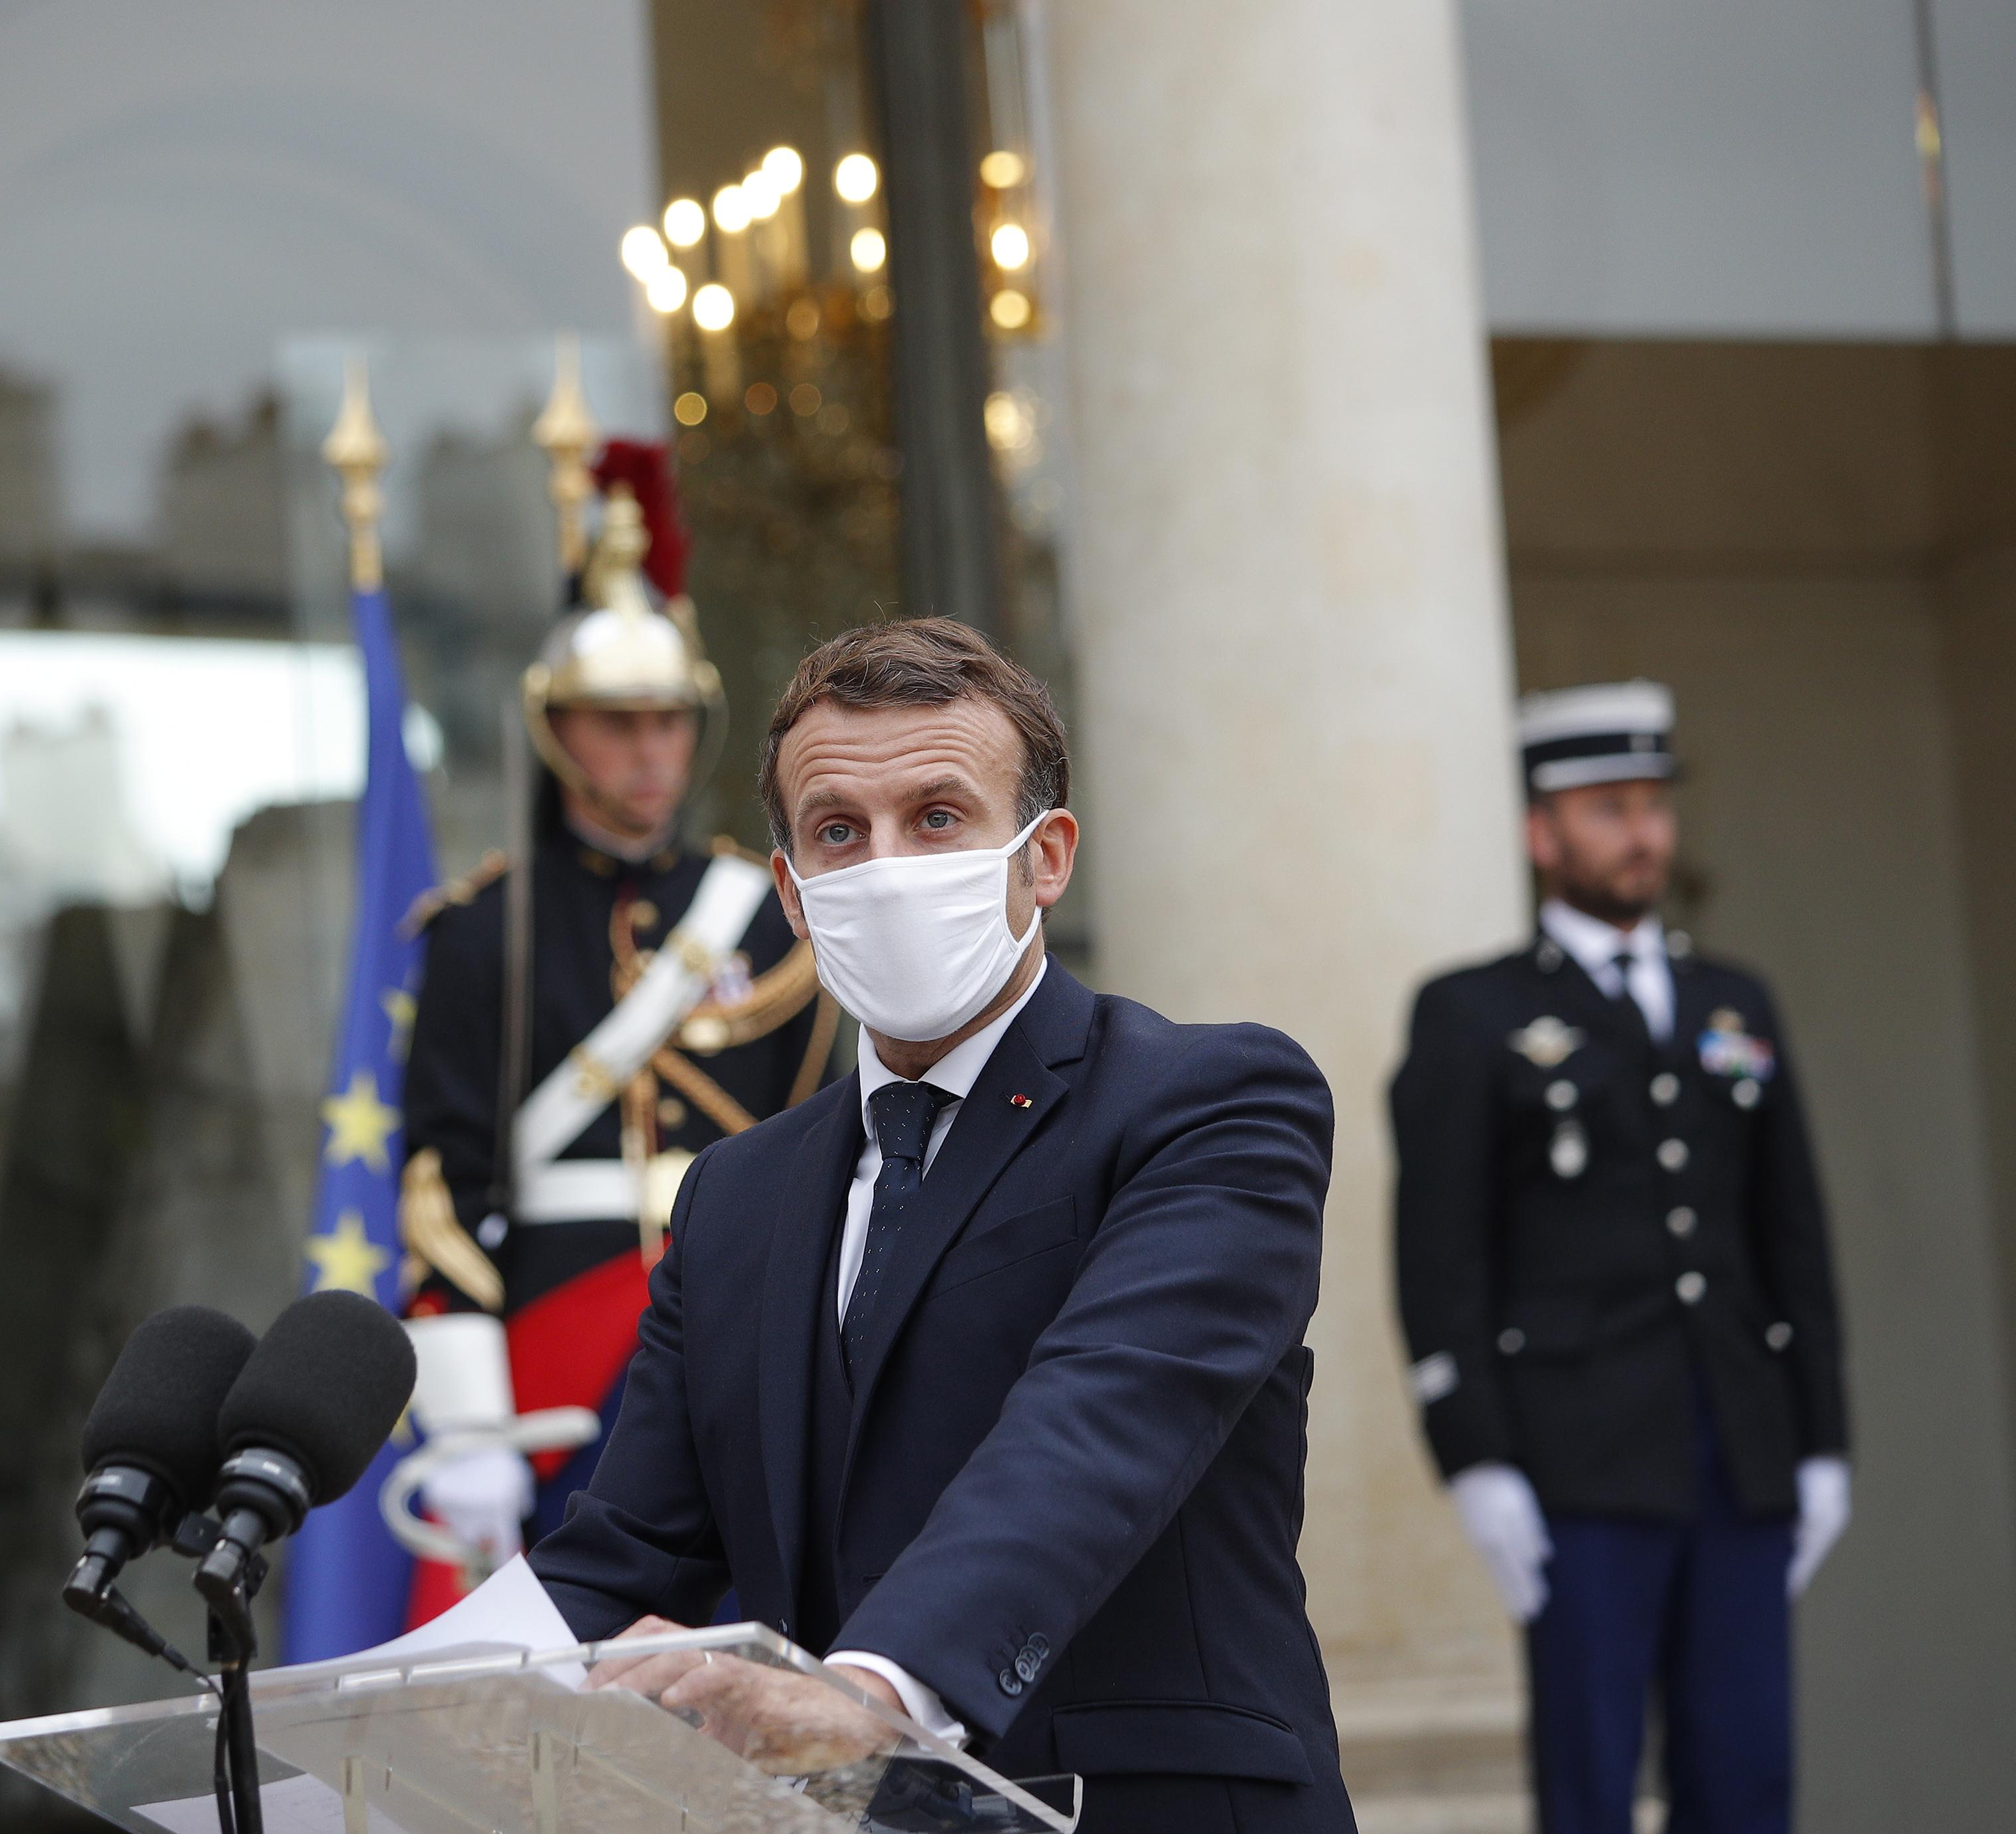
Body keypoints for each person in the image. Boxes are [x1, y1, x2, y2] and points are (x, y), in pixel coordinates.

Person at [528, 618, 1354, 1831]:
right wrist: (352, 1736)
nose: (885, 866)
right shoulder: (735, 1198)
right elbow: (625, 1552)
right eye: (837, 833)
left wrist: (874, 1689)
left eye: (938, 817)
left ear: (1046, 856)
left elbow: (1097, 1426)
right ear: (792, 893)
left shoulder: (1206, 1103)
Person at [1390, 680, 1851, 1834]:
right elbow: (1438, 1252)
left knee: (1745, 1776)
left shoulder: (1731, 1001)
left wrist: (1822, 1437)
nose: (1640, 832)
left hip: (1738, 1447)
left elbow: (1791, 1233)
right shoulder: (1471, 1013)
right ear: (1539, 831)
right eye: (1607, 808)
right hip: (1576, 1459)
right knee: (1590, 1782)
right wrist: (1474, 1455)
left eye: (1651, 804)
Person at [395, 445, 833, 1588]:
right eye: (616, 722)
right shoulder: (487, 927)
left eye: (669, 721)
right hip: (553, 1336)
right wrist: (471, 1421)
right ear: (558, 729)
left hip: (741, 1317)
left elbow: (818, 1140)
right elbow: (445, 1190)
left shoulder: (769, 917)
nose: (649, 752)